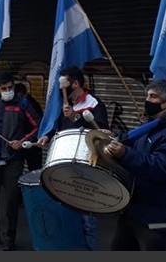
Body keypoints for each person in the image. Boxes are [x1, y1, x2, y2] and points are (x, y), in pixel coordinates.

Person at [104, 79, 166, 251]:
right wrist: (113, 136)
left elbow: (162, 167)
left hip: (156, 215)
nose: (147, 100)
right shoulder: (152, 125)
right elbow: (135, 142)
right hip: (134, 209)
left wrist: (125, 153)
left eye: (153, 97)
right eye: (147, 96)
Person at [36, 65, 108, 250]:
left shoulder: (94, 103)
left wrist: (76, 117)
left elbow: (101, 132)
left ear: (75, 84)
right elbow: (61, 128)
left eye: (64, 86)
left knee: (86, 214)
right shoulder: (66, 104)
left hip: (87, 162)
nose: (62, 91)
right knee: (65, 210)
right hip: (65, 161)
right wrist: (48, 135)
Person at [0, 72, 41, 251]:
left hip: (12, 158)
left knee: (11, 199)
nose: (8, 91)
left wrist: (21, 141)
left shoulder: (23, 105)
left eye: (10, 88)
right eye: (4, 89)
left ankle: (9, 237)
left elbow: (37, 126)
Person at [13, 82, 44, 171]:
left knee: (34, 169)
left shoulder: (29, 104)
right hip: (23, 141)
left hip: (31, 142)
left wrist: (24, 140)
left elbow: (37, 125)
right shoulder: (26, 103)